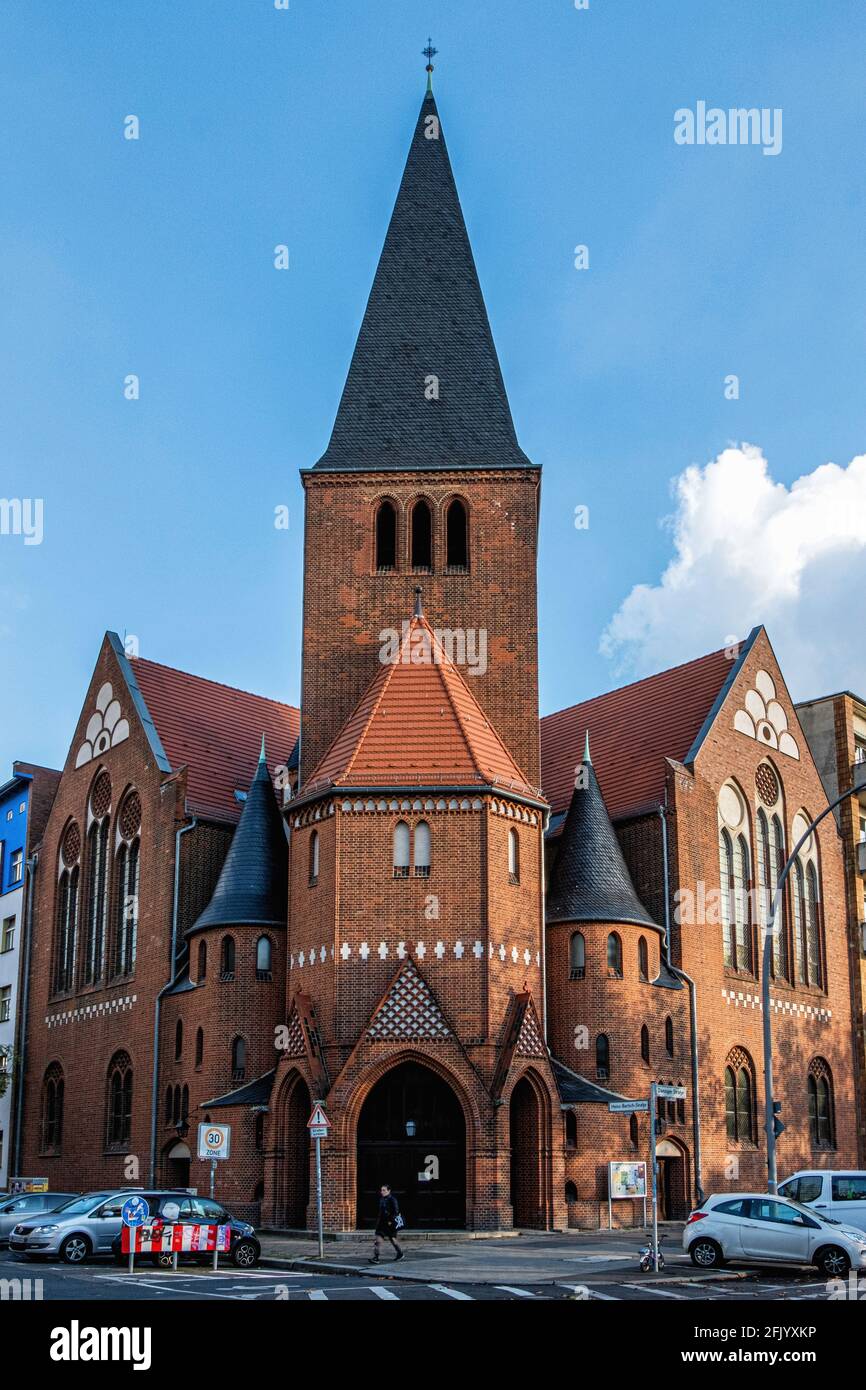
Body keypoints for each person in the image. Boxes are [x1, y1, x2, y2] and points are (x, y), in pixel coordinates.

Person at [371, 1183, 403, 1262]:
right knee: (378, 1241)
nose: (382, 1192)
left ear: (389, 1191)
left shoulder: (393, 1199)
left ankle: (400, 1253)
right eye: (381, 1190)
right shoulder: (381, 1199)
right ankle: (376, 1257)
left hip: (390, 1224)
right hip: (381, 1224)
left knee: (393, 1239)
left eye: (384, 1190)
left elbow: (396, 1212)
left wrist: (390, 1221)